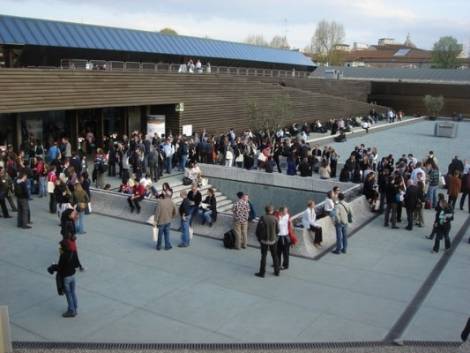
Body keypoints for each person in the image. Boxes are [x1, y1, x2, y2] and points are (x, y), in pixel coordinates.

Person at [57, 211, 82, 317]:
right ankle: (75, 306)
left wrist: (53, 268)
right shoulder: (72, 253)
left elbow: (60, 267)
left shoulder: (63, 255)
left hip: (66, 276)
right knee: (73, 292)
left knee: (68, 294)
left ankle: (71, 310)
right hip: (72, 275)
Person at [255, 205, 280, 278]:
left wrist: (259, 238)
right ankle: (277, 271)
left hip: (264, 240)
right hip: (273, 240)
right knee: (275, 256)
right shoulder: (275, 218)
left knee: (263, 256)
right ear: (272, 211)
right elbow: (278, 230)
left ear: (265, 210)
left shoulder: (262, 218)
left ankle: (262, 273)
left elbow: (258, 230)